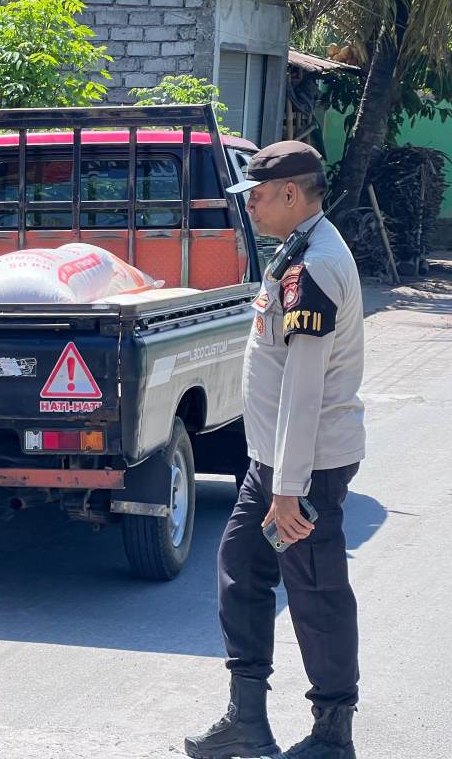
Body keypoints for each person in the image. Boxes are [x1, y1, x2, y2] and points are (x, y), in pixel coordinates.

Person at [185, 142, 365, 759]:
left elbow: (304, 387)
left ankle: (332, 734)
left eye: (258, 196)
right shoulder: (298, 251)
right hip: (276, 465)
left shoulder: (316, 266)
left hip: (304, 469)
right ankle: (247, 718)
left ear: (292, 193)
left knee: (316, 594)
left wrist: (288, 488)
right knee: (241, 573)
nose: (252, 207)